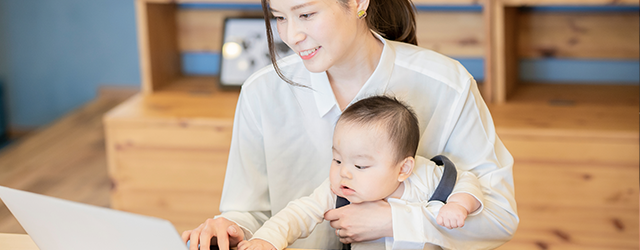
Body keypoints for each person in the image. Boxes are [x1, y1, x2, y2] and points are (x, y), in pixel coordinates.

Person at [181, 0, 518, 249]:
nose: (291, 35)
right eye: (279, 18)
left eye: (306, 14)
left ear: (358, 3)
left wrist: (393, 219)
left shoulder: (446, 85)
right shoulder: (261, 92)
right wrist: (231, 228)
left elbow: (499, 217)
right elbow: (249, 214)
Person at [236, 96, 484, 250]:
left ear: (403, 169)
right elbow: (298, 213)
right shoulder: (337, 190)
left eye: (361, 166)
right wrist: (267, 240)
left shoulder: (425, 176)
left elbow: (466, 180)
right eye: (337, 160)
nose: (344, 172)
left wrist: (459, 205)